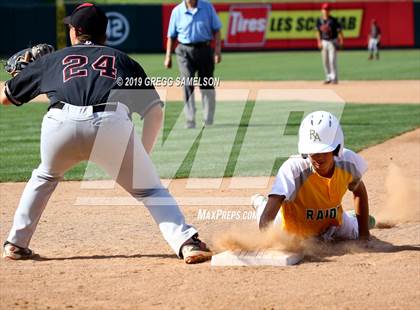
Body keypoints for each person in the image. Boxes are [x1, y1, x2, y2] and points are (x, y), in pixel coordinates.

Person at [0, 3, 212, 264]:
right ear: (104, 34)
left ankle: (16, 243)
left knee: (44, 177)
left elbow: (5, 98)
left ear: (76, 31)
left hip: (59, 125)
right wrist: (141, 156)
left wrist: (28, 72)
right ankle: (187, 243)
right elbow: (154, 110)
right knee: (151, 191)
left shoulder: (53, 60)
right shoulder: (123, 60)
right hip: (110, 125)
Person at [251, 111, 375, 241]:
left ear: (337, 147)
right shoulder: (293, 169)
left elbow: (359, 191)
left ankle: (353, 218)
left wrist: (364, 234)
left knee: (357, 230)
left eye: (324, 150)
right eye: (313, 151)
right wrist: (267, 243)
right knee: (267, 217)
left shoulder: (348, 162)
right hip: (294, 230)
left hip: (333, 223)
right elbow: (270, 212)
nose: (318, 156)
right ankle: (260, 203)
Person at [164, 0, 222, 129]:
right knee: (187, 83)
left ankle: (208, 118)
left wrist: (217, 51)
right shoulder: (177, 11)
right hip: (184, 51)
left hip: (204, 49)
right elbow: (171, 36)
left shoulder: (207, 7)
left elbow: (217, 30)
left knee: (206, 84)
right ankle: (190, 119)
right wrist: (168, 56)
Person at [316, 3, 344, 84]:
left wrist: (341, 41)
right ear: (321, 10)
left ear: (330, 11)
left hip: (333, 42)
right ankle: (328, 78)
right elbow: (318, 32)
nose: (326, 11)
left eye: (327, 9)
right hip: (324, 42)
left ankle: (334, 79)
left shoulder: (334, 20)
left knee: (332, 61)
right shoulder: (319, 20)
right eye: (324, 9)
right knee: (325, 61)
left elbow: (339, 31)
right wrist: (319, 42)